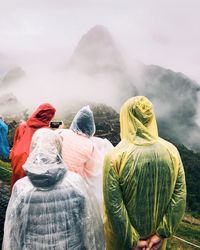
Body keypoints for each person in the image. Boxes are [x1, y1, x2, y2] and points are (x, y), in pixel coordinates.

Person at [103, 96, 186, 250]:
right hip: (156, 243)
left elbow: (114, 206)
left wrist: (132, 240)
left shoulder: (115, 157)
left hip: (122, 244)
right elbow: (179, 196)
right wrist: (160, 235)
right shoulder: (171, 151)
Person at [3, 128, 104, 250]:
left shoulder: (21, 189)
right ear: (59, 149)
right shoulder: (76, 184)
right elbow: (89, 227)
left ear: (33, 149)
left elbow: (13, 234)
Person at [56, 106, 113, 208]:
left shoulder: (61, 133)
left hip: (54, 182)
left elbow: (54, 126)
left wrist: (58, 124)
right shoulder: (90, 145)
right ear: (91, 127)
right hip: (74, 188)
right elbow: (94, 172)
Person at [10, 103, 56, 190]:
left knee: (17, 191)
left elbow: (15, 145)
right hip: (34, 166)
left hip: (18, 161)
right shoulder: (47, 132)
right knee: (30, 194)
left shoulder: (22, 126)